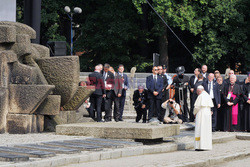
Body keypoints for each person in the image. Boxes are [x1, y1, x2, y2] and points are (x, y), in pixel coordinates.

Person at [194, 85, 213, 151]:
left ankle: (199, 146)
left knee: (200, 129)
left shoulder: (201, 96)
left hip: (201, 113)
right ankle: (206, 145)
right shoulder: (207, 95)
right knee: (206, 130)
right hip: (207, 113)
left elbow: (197, 107)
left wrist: (194, 113)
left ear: (199, 91)